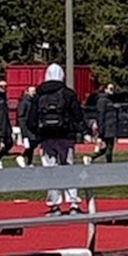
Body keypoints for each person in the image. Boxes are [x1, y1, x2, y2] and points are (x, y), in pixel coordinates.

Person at [28, 64, 86, 214]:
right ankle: (73, 203)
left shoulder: (39, 94)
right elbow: (78, 116)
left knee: (50, 170)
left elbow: (31, 120)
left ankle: (54, 205)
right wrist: (79, 130)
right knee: (69, 168)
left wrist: (38, 133)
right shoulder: (68, 93)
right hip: (66, 137)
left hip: (46, 137)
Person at [90, 80, 119, 163]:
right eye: (110, 88)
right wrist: (101, 130)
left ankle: (91, 158)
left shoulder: (109, 100)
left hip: (111, 127)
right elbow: (101, 115)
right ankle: (107, 162)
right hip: (107, 128)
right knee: (109, 147)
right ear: (105, 89)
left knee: (107, 148)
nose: (112, 90)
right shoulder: (102, 101)